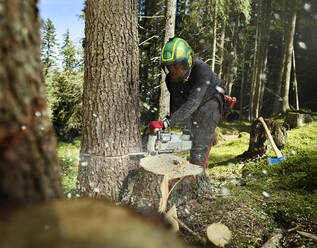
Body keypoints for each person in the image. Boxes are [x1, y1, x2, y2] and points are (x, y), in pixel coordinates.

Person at [148, 37, 225, 169]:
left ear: (186, 62)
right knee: (188, 137)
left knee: (199, 146)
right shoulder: (170, 80)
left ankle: (199, 175)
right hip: (192, 105)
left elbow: (193, 103)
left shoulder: (202, 69)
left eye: (175, 65)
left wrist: (165, 123)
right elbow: (177, 103)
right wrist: (170, 124)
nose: (172, 69)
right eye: (168, 66)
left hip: (211, 101)